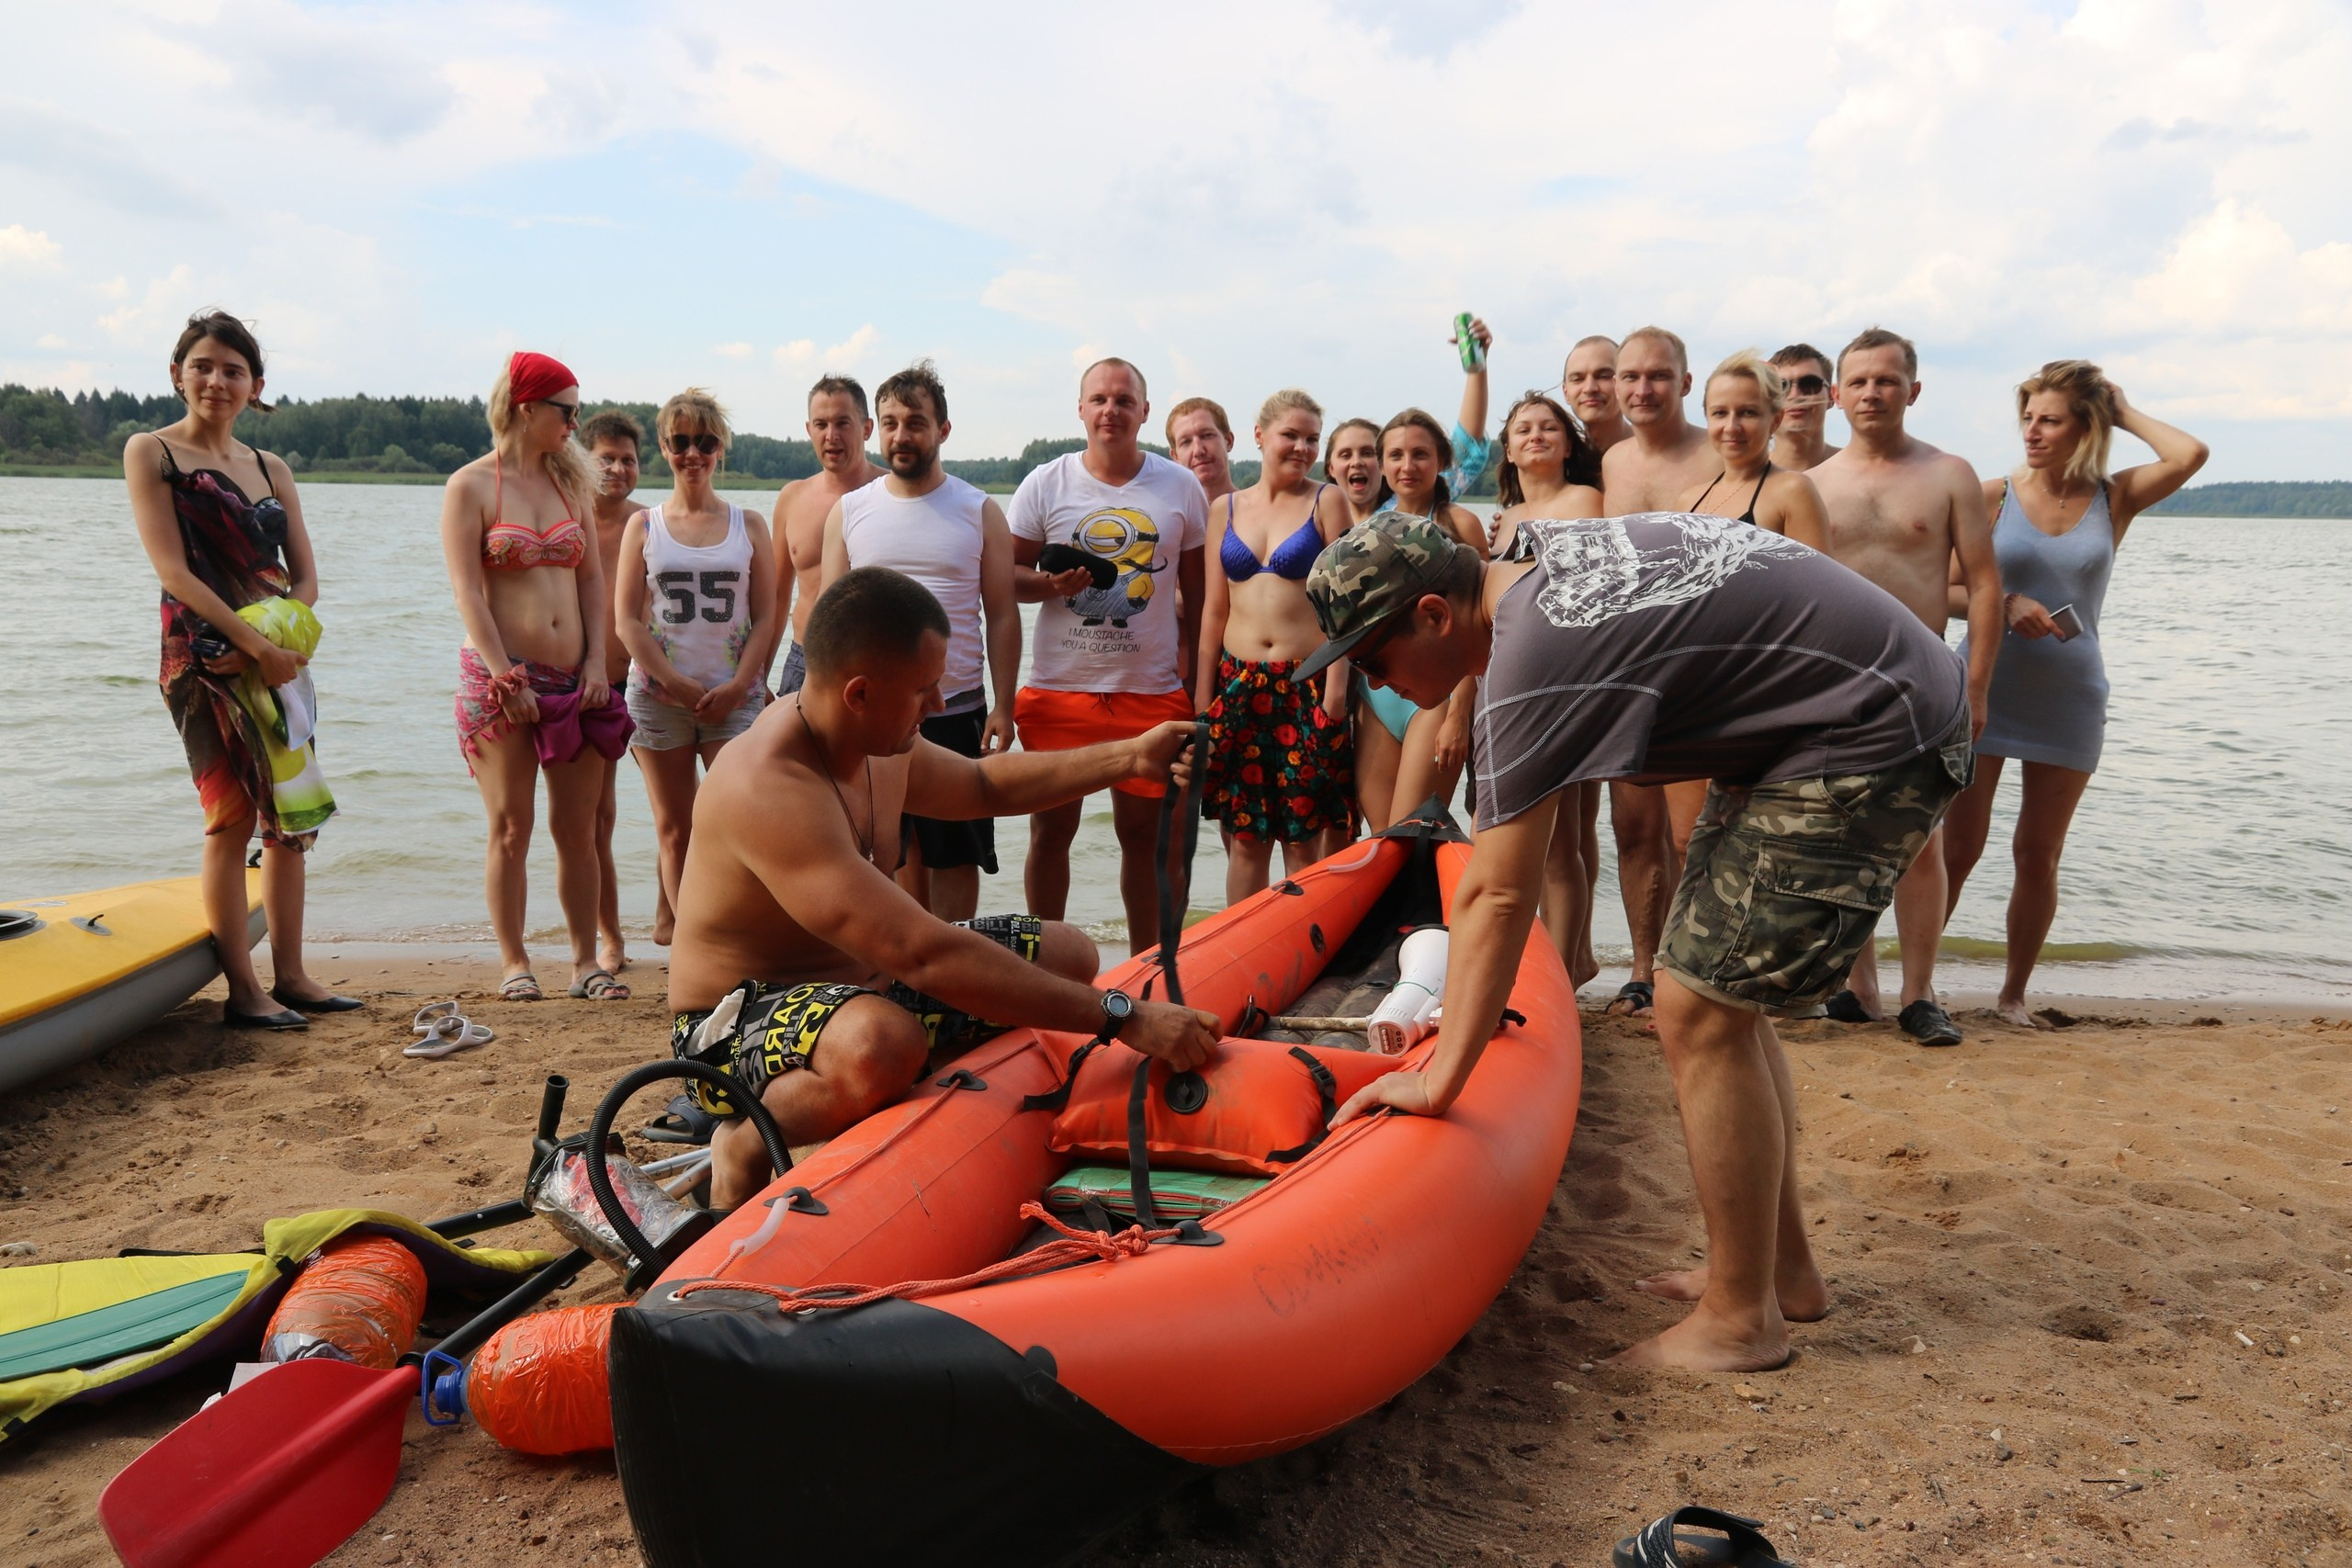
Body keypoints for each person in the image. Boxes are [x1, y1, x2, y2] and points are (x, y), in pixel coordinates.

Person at [1303, 513, 1973, 1371]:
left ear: (1434, 614)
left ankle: (1742, 1319)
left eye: (1371, 658)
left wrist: (1439, 1079)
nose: (1372, 680)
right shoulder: (1528, 568)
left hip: (1874, 726)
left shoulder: (1532, 655)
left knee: (1698, 1007)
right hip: (1822, 717)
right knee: (1711, 987)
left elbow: (1498, 891)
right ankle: (1780, 1273)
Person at [670, 568, 1223, 1207]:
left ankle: (924, 1105)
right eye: (923, 691)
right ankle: (742, 1141)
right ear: (858, 693)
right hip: (730, 1026)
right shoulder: (767, 786)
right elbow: (921, 952)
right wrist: (1125, 1017)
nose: (937, 706)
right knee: (882, 1043)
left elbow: (983, 785)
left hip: (867, 986)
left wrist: (1128, 757)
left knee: (1068, 954)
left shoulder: (877, 740)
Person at [1940, 363, 2207, 1027]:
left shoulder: (2115, 499)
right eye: (2028, 418)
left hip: (2070, 697)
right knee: (1957, 849)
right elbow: (1942, 590)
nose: (2032, 432)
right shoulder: (1992, 496)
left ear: (2085, 427)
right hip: (1982, 686)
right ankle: (1917, 985)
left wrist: (2124, 409)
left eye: (2050, 420)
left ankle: (2012, 996)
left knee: (2038, 855)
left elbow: (2190, 454)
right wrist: (2004, 602)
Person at [127, 310, 356, 1030]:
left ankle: (292, 976)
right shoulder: (151, 452)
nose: (216, 381)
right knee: (229, 820)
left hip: (277, 659)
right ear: (177, 374)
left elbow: (306, 578)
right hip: (201, 656)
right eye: (203, 366)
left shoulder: (270, 467)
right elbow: (174, 571)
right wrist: (254, 646)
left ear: (256, 384)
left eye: (233, 370)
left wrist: (278, 643)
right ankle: (244, 991)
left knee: (289, 820)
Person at [1810, 327, 2001, 1046]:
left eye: (1887, 380)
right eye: (1859, 381)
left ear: (1913, 391)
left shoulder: (1949, 474)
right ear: (1837, 394)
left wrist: (1975, 686)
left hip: (1922, 678)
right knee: (1843, 835)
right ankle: (1859, 986)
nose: (1872, 393)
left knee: (1922, 841)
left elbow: (1984, 585)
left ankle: (1921, 993)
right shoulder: (1813, 484)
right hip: (1833, 681)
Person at [439, 351, 625, 1002]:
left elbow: (592, 581)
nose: (575, 423)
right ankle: (515, 963)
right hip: (499, 680)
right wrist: (504, 677)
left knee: (579, 830)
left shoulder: (572, 483)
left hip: (575, 681)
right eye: (566, 411)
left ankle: (585, 963)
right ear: (525, 408)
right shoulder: (469, 486)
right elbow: (467, 591)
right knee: (511, 828)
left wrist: (597, 662)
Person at [1007, 357, 1207, 955]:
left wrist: (1199, 683)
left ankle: (1147, 968)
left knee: (1145, 841)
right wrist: (1049, 584)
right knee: (1051, 833)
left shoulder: (1180, 486)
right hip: (1059, 688)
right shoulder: (1046, 483)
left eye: (1123, 400)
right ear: (1080, 409)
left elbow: (1200, 597)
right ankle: (1047, 968)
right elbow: (1004, 577)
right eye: (1099, 399)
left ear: (1144, 411)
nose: (1110, 410)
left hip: (1150, 692)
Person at [820, 361, 1020, 921]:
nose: (901, 436)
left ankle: (958, 956)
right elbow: (831, 620)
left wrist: (1004, 706)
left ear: (943, 430)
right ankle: (902, 960)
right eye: (890, 423)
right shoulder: (851, 511)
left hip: (956, 710)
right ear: (876, 430)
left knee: (957, 853)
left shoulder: (979, 510)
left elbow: (1002, 615)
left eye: (915, 423)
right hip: (874, 717)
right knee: (886, 853)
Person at [615, 389, 782, 966]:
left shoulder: (748, 524)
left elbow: (766, 617)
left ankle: (742, 937)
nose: (693, 454)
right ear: (664, 448)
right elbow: (626, 621)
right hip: (659, 697)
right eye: (681, 442)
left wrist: (740, 685)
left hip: (734, 697)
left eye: (705, 442)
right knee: (675, 827)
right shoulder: (644, 526)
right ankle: (693, 952)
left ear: (720, 450)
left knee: (742, 822)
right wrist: (673, 682)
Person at [1661, 352, 1835, 863]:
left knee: (1754, 849)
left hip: (1760, 695)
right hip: (1692, 691)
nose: (1732, 426)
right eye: (1720, 413)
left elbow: (1823, 607)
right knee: (1686, 842)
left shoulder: (1792, 490)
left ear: (1775, 419)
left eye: (1749, 413)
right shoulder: (1690, 498)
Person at [1595, 326, 1719, 1017]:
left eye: (1659, 376)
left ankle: (1695, 970)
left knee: (1692, 834)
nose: (1643, 389)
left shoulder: (1716, 453)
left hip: (1702, 672)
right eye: (1631, 376)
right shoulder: (1613, 461)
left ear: (1686, 382)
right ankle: (1644, 969)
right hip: (1626, 668)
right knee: (1634, 830)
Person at [1193, 389, 1355, 900]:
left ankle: (1302, 940)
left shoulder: (1327, 501)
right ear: (1260, 436)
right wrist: (1203, 701)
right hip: (1238, 686)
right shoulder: (1223, 508)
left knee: (1302, 841)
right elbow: (1214, 609)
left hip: (1306, 684)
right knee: (1245, 840)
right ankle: (1243, 943)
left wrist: (1334, 697)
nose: (1302, 448)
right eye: (1291, 435)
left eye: (1312, 439)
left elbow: (1346, 607)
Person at [1483, 390, 1604, 987]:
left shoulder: (1586, 500)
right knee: (1527, 841)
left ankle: (1565, 970)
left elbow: (1586, 589)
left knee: (1564, 841)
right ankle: (1550, 964)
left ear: (1568, 444)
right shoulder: (1504, 518)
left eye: (1549, 427)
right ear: (1507, 450)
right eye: (1523, 429)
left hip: (1568, 679)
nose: (1536, 435)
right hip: (1508, 683)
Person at [1363, 406, 1490, 826]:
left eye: (1420, 454)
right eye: (1396, 455)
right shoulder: (1366, 528)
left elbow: (1481, 630)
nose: (1408, 466)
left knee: (1411, 830)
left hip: (1437, 698)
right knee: (1381, 836)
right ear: (1382, 464)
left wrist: (1458, 716)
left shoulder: (1462, 524)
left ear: (1441, 460)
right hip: (1375, 698)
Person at [580, 408, 647, 972]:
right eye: (607, 459)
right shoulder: (566, 521)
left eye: (628, 459)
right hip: (586, 686)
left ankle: (679, 921)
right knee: (597, 816)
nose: (619, 469)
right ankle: (610, 937)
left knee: (682, 814)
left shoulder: (648, 524)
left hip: (643, 682)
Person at [770, 376, 881, 699]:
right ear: (809, 430)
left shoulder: (891, 495)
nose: (831, 436)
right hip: (804, 660)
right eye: (821, 424)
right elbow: (776, 598)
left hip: (875, 664)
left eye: (842, 423)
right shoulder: (792, 498)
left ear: (866, 428)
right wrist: (758, 675)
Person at [1768, 344, 1841, 471]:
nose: (1794, 395)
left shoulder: (1859, 471)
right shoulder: (1745, 475)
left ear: (1831, 396)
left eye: (1810, 384)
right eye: (1781, 386)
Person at [1563, 334, 1632, 456]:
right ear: (1565, 392)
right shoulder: (1565, 460)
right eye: (1577, 379)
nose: (1589, 388)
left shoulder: (1656, 452)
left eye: (1603, 376)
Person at [1167, 397, 1238, 505]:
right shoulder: (1166, 515)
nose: (1198, 451)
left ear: (1228, 441)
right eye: (1186, 442)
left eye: (1207, 435)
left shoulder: (1259, 511)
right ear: (1175, 456)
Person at [1323, 417, 1385, 523]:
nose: (1356, 462)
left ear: (1383, 463)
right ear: (1331, 468)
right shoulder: (1318, 523)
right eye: (1346, 455)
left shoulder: (1406, 518)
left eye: (1367, 453)